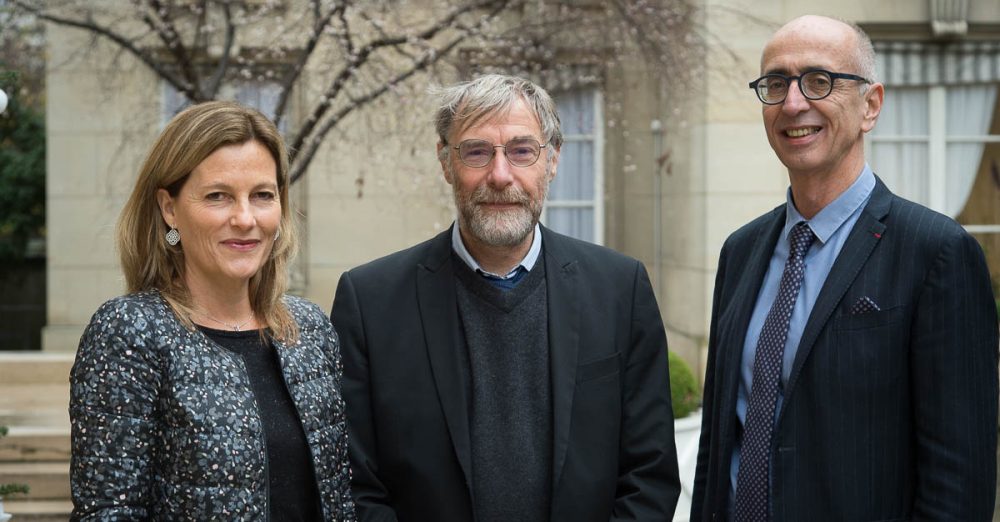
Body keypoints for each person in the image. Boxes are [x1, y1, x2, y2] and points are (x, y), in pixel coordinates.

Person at [331, 74, 680, 521]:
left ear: (552, 160)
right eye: (477, 151)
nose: (500, 175)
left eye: (521, 151)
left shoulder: (620, 289)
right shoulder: (370, 302)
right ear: (445, 162)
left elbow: (649, 477)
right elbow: (354, 486)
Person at [691, 15, 999, 521]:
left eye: (820, 81)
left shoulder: (937, 252)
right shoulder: (740, 251)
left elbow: (957, 482)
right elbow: (721, 441)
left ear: (870, 105)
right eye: (776, 83)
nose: (793, 103)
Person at [70, 101, 357, 521]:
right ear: (170, 208)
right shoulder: (131, 332)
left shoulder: (309, 329)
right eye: (218, 196)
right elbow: (109, 512)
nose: (245, 219)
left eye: (262, 196)